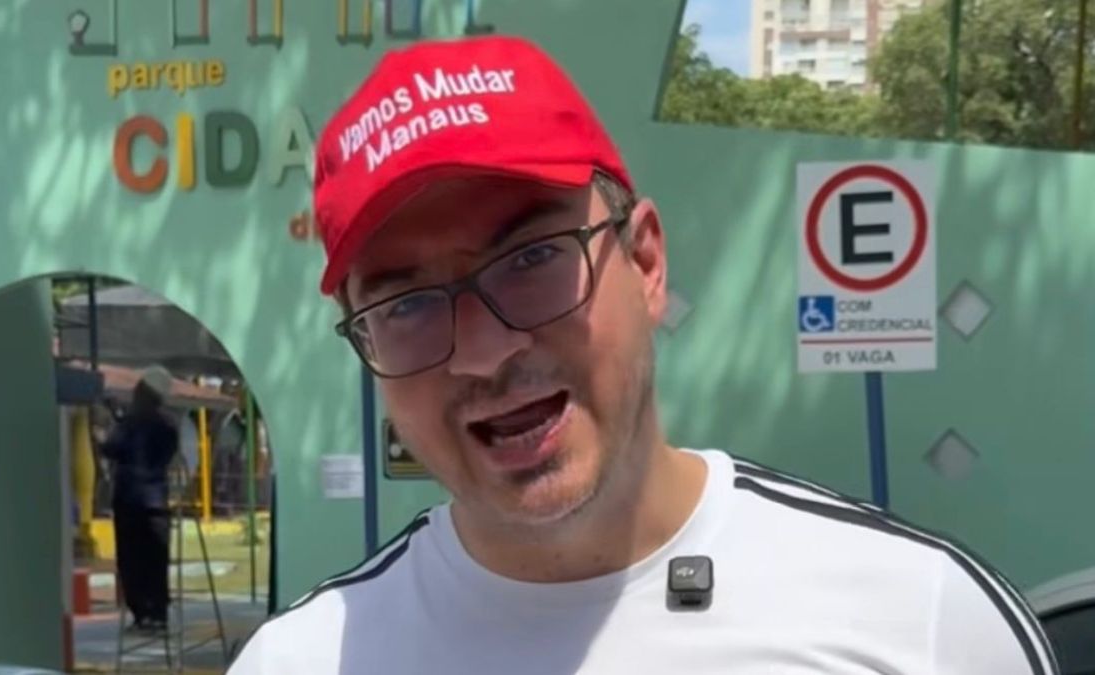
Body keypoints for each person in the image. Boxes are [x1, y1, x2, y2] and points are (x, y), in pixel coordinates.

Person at [230, 36, 1057, 674]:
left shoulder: (922, 624)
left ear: (647, 263)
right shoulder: (300, 661)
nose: (482, 351)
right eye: (405, 304)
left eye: (532, 258)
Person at [100, 366, 179, 633]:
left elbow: (112, 448)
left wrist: (104, 429)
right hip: (157, 501)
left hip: (129, 500)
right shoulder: (168, 426)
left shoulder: (130, 424)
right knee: (156, 560)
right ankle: (158, 614)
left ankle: (141, 614)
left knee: (131, 560)